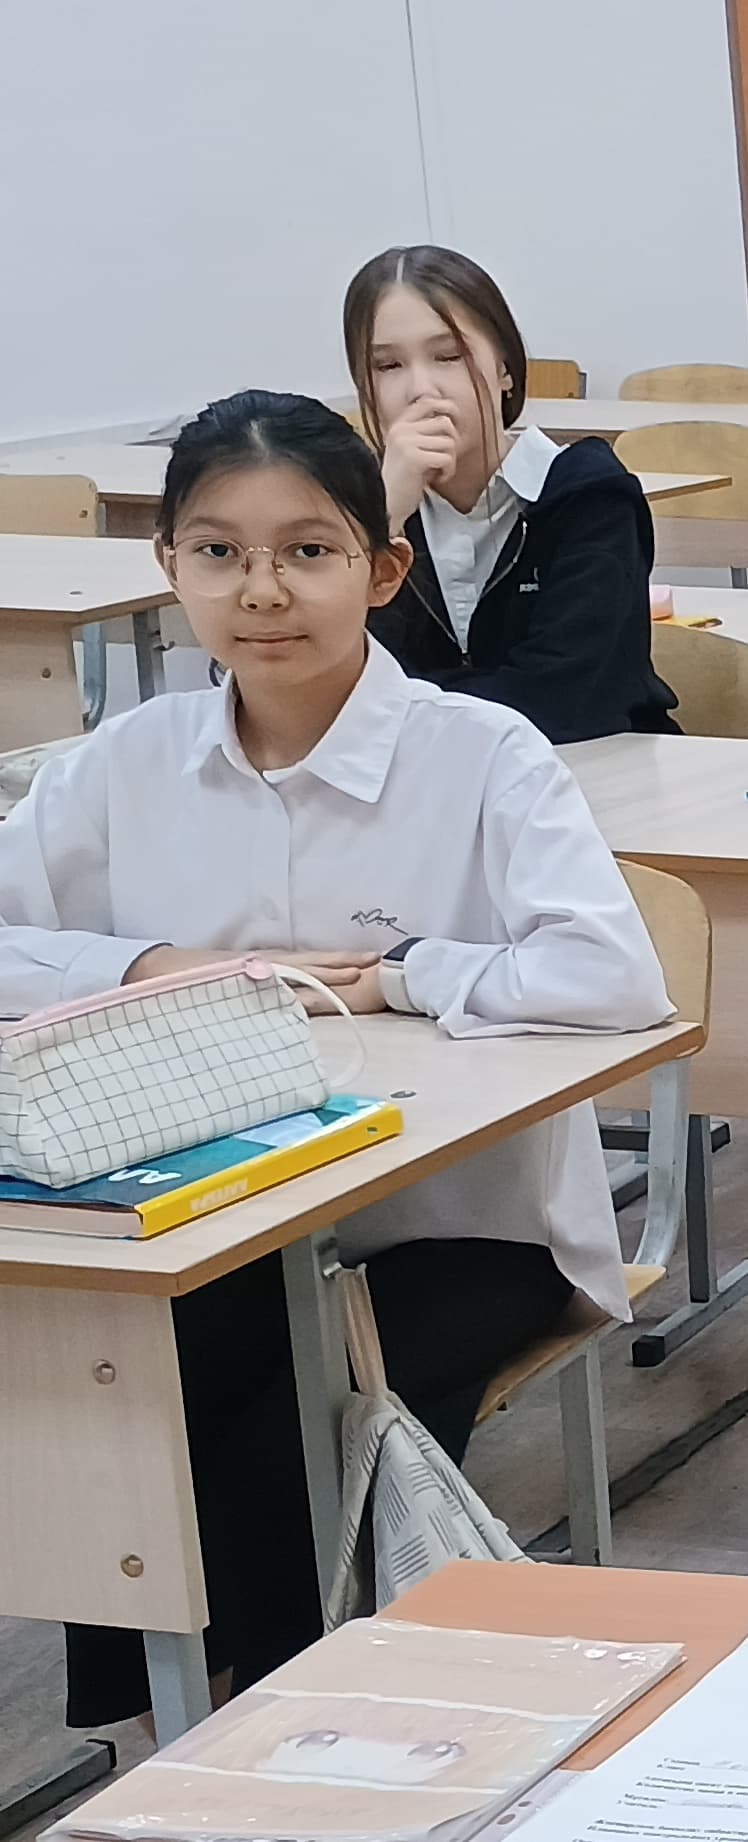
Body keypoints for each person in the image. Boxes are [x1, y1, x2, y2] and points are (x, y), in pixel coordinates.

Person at [1, 391, 671, 1724]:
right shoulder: (127, 761)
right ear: (170, 567)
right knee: (120, 1385)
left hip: (460, 1224)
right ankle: (164, 1720)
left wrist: (408, 973)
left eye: (307, 551)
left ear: (382, 568)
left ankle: (274, 1722)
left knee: (291, 1433)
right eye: (219, 552)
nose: (262, 591)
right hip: (211, 1211)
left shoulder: (479, 754)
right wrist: (147, 966)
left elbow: (614, 976)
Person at [343, 244, 676, 742]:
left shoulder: (589, 495)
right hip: (421, 778)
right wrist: (381, 523)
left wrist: (395, 706)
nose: (421, 389)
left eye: (449, 356)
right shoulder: (353, 513)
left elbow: (561, 702)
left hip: (593, 771)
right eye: (387, 366)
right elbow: (317, 680)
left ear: (504, 368)